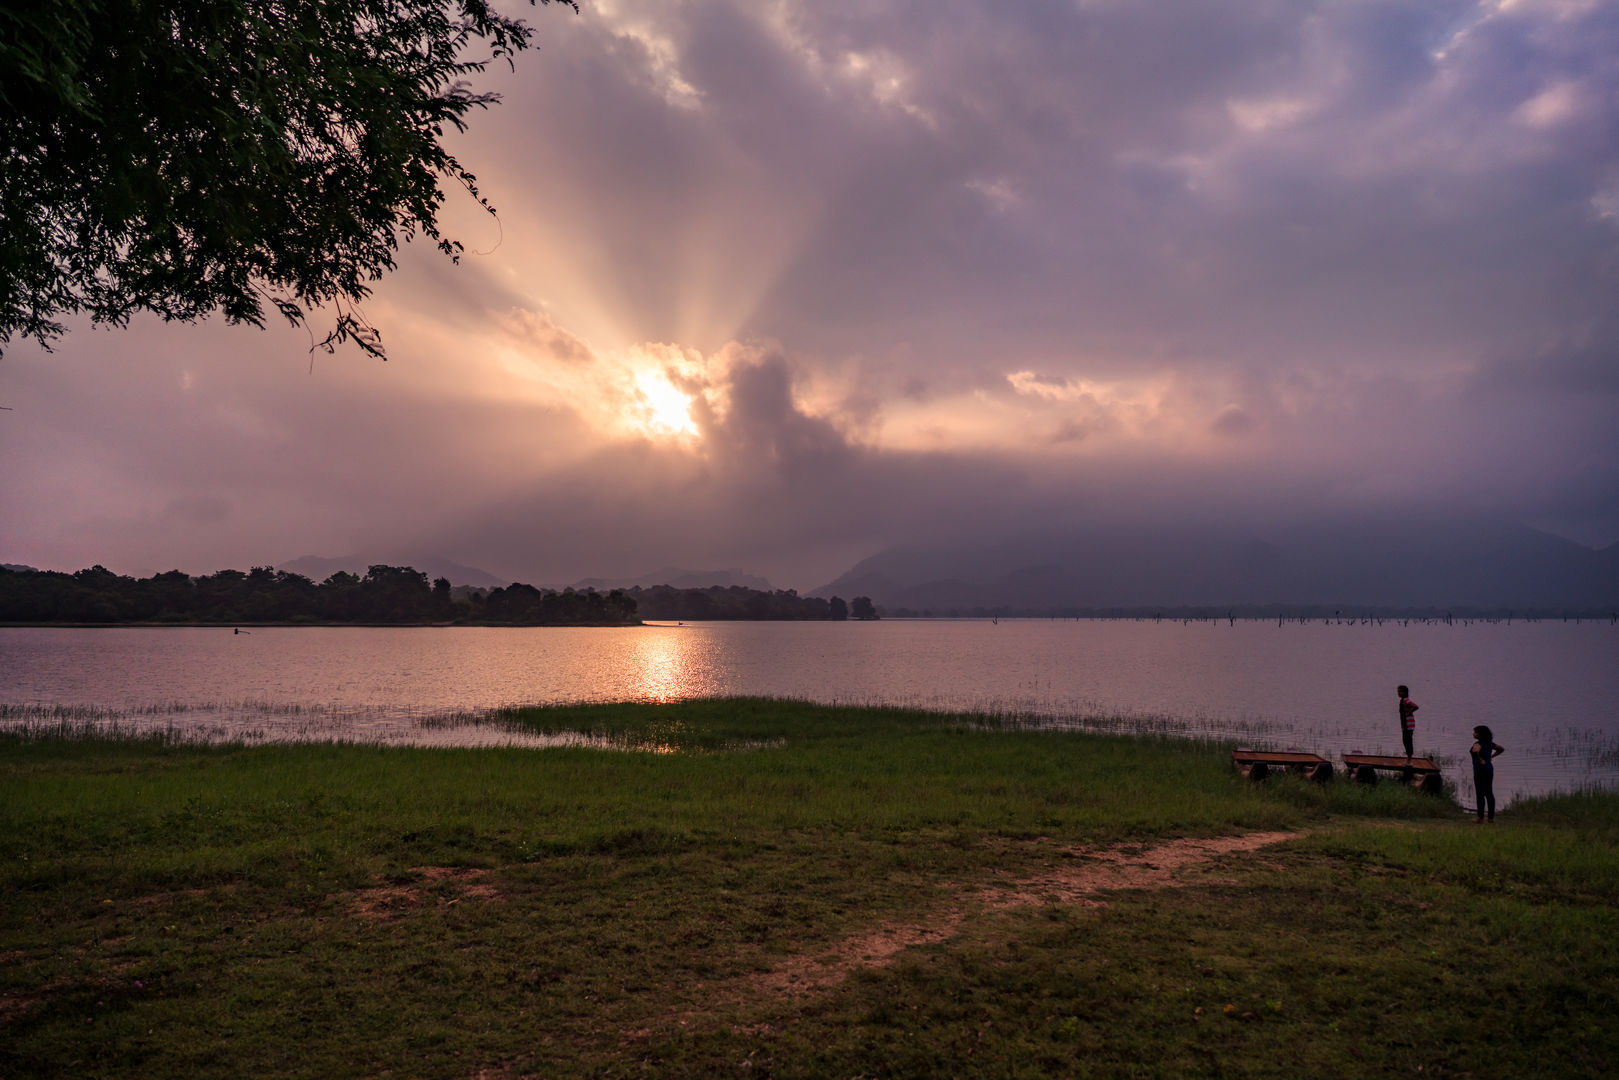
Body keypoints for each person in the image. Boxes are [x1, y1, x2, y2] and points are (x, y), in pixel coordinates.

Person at [1470, 725, 1505, 823]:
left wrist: (1480, 759)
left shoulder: (1477, 743)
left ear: (1480, 734)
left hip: (1480, 770)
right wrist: (1491, 757)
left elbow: (1475, 751)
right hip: (1489, 770)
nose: (1473, 734)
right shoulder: (1490, 744)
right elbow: (1501, 749)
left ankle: (1480, 818)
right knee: (1489, 793)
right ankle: (1490, 818)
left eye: (1475, 732)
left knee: (1480, 794)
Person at [1398, 685, 1418, 759]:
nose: (1398, 693)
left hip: (1408, 725)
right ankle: (1408, 756)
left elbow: (1415, 706)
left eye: (1400, 691)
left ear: (1405, 692)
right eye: (1398, 691)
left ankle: (1409, 759)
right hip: (1405, 725)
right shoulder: (1402, 701)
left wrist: (1409, 712)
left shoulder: (1406, 700)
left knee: (1408, 741)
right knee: (1405, 740)